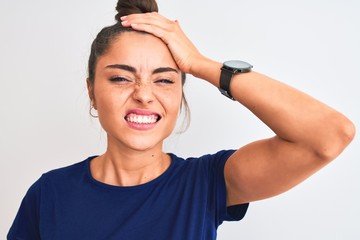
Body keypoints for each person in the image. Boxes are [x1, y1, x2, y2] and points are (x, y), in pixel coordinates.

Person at [7, 0, 355, 239]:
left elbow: (329, 135)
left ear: (180, 94)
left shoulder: (207, 183)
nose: (144, 94)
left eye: (164, 79)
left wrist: (201, 63)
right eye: (120, 78)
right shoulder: (49, 193)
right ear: (92, 92)